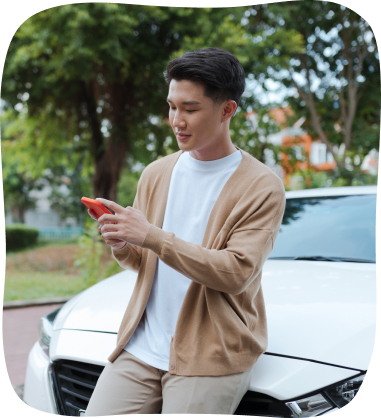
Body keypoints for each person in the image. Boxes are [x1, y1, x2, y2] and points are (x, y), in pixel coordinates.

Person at [84, 47, 286, 415]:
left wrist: (151, 236)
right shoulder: (156, 172)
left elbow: (236, 272)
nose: (176, 120)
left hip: (211, 353)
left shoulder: (262, 186)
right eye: (172, 107)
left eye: (190, 109)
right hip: (142, 345)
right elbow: (144, 262)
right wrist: (123, 242)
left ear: (227, 110)